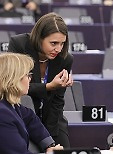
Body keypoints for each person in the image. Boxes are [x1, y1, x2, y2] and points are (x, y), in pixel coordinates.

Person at [8, 12, 73, 148]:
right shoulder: (19, 45)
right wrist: (48, 87)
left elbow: (58, 101)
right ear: (39, 38)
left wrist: (49, 138)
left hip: (53, 117)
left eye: (62, 43)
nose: (58, 49)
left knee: (62, 148)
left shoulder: (66, 58)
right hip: (20, 113)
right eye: (54, 43)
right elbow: (13, 87)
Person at [0, 52, 63, 153]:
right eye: (27, 75)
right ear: (13, 79)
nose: (30, 79)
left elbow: (30, 118)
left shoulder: (12, 106)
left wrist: (49, 145)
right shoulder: (2, 114)